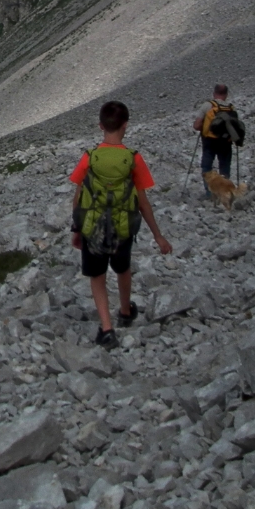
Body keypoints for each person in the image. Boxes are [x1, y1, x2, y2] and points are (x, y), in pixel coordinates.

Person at [69, 100, 173, 349]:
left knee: (97, 275)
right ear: (125, 126)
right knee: (122, 268)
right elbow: (143, 202)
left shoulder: (89, 157)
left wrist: (76, 229)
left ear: (100, 126)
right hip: (124, 226)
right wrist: (158, 236)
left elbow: (78, 196)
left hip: (93, 227)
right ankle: (126, 311)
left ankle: (106, 328)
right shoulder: (133, 159)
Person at [194, 84, 234, 193]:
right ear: (226, 94)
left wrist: (206, 127)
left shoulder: (207, 106)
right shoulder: (230, 107)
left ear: (214, 93)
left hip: (209, 142)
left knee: (207, 167)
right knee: (224, 167)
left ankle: (209, 192)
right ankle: (224, 192)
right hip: (226, 142)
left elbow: (197, 126)